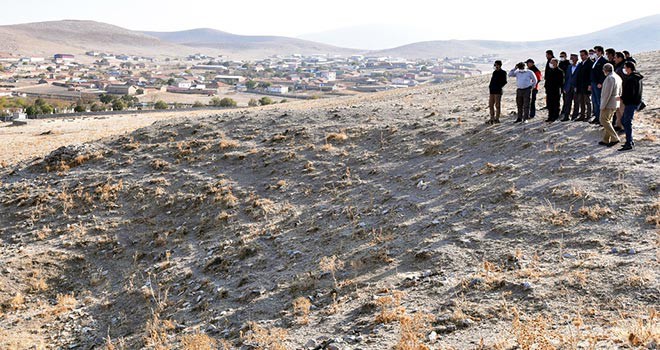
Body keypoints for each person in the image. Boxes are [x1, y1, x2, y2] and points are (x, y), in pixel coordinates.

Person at [619, 61, 644, 151]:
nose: (624, 69)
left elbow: (630, 93)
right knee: (624, 121)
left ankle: (629, 142)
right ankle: (630, 141)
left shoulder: (632, 79)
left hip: (630, 103)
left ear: (629, 68)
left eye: (625, 68)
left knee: (626, 121)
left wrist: (622, 98)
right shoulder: (637, 77)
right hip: (634, 102)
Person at [598, 63, 622, 147]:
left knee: (603, 120)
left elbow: (607, 93)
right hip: (615, 102)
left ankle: (615, 138)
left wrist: (602, 105)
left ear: (605, 70)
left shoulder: (610, 78)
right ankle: (606, 139)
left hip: (609, 103)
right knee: (609, 120)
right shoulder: (617, 77)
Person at [590, 46, 608, 124]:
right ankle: (597, 117)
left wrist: (600, 82)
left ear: (600, 52)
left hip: (598, 84)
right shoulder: (595, 61)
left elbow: (603, 73)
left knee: (599, 101)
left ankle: (601, 118)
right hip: (593, 83)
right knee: (594, 101)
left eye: (596, 51)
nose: (595, 53)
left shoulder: (603, 61)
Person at [575, 49, 593, 121]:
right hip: (580, 86)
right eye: (581, 55)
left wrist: (589, 84)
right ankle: (582, 115)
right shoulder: (580, 64)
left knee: (587, 101)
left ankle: (588, 115)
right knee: (581, 101)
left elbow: (591, 75)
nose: (581, 57)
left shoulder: (590, 63)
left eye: (583, 55)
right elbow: (578, 75)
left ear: (587, 55)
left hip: (586, 86)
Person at [488, 60, 507, 124]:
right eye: (495, 65)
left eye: (496, 65)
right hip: (492, 91)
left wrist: (498, 86)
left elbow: (504, 81)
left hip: (498, 91)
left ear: (499, 65)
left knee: (497, 105)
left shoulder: (503, 72)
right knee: (490, 105)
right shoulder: (494, 72)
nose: (495, 66)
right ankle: (492, 118)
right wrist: (490, 86)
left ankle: (497, 118)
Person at [544, 58, 564, 122]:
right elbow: (547, 80)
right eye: (551, 62)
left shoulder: (559, 71)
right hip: (549, 90)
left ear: (556, 63)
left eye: (552, 62)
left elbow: (561, 82)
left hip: (556, 90)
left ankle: (555, 116)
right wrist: (546, 87)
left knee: (555, 104)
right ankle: (550, 116)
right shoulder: (550, 70)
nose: (551, 64)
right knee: (549, 104)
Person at [561, 54, 579, 121]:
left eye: (573, 58)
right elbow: (566, 77)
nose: (571, 59)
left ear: (576, 59)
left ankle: (574, 116)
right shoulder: (569, 67)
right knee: (567, 102)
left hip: (575, 87)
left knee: (576, 102)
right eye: (570, 58)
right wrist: (565, 87)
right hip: (568, 87)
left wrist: (577, 86)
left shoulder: (579, 67)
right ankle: (566, 116)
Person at [613, 52, 627, 130]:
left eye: (615, 57)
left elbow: (624, 80)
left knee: (622, 110)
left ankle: (624, 127)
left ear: (620, 58)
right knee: (618, 110)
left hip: (622, 92)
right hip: (617, 92)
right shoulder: (618, 66)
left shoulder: (624, 67)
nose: (614, 59)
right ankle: (619, 125)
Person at [558, 52, 570, 116]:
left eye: (562, 56)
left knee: (566, 98)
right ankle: (563, 110)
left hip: (567, 82)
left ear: (566, 56)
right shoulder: (560, 63)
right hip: (561, 83)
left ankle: (566, 110)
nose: (561, 57)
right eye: (560, 56)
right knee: (562, 98)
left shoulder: (568, 63)